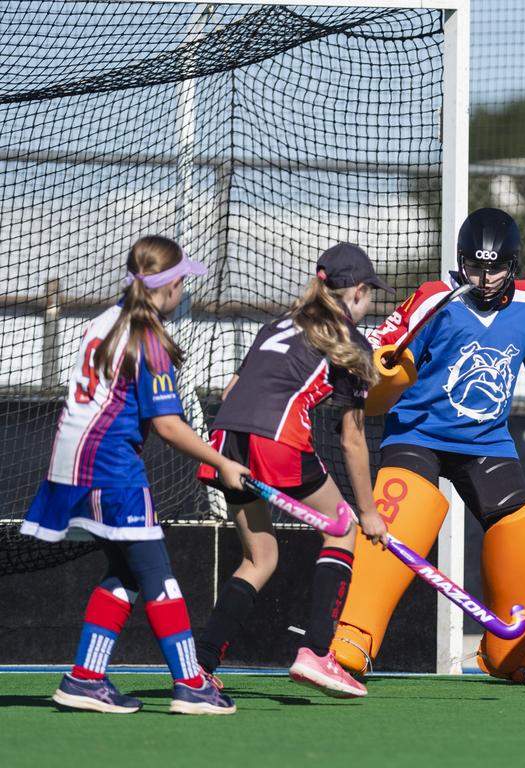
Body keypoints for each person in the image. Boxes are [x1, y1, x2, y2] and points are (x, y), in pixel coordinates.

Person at [330, 208, 525, 680]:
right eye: (474, 267)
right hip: (417, 432)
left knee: (524, 529)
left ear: (513, 264)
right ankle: (353, 635)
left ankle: (516, 650)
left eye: (494, 268)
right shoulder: (435, 298)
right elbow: (386, 342)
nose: (483, 278)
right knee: (400, 514)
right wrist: (377, 363)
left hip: (485, 441)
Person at [21, 235, 245, 715]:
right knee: (160, 577)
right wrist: (223, 462)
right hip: (112, 470)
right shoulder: (148, 340)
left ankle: (85, 678)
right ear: (165, 287)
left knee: (125, 571)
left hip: (71, 466)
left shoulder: (103, 322)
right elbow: (168, 425)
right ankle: (191, 684)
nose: (185, 292)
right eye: (182, 282)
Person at [195, 243, 390, 700]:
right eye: (370, 297)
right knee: (342, 528)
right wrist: (369, 512)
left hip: (225, 441)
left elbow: (231, 392)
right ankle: (317, 652)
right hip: (277, 438)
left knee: (260, 558)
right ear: (358, 291)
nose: (370, 306)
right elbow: (353, 440)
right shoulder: (352, 344)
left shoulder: (278, 324)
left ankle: (200, 665)